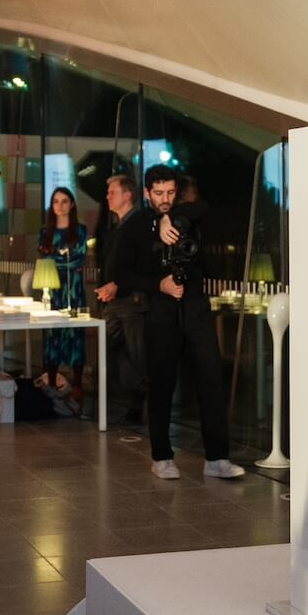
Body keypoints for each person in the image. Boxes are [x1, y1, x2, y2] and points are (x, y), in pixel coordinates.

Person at [112, 166, 245, 482]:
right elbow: (121, 274)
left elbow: (203, 206)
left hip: (196, 308)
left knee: (211, 379)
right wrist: (158, 285)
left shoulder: (188, 214)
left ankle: (216, 458)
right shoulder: (134, 228)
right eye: (158, 193)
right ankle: (162, 457)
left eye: (171, 192)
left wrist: (172, 219)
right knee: (161, 384)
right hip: (160, 311)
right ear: (146, 193)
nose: (165, 199)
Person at [93, 174, 146, 426]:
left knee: (137, 353)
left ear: (127, 195)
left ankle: (140, 404)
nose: (107, 197)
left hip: (130, 300)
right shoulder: (117, 225)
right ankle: (120, 400)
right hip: (114, 299)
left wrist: (117, 285)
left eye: (112, 192)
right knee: (109, 349)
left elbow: (138, 265)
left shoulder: (138, 224)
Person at [36, 186, 89, 404]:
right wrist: (61, 261)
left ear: (72, 204)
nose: (60, 205)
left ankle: (77, 383)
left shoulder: (81, 231)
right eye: (56, 201)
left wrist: (55, 259)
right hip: (52, 288)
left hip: (74, 288)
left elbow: (80, 259)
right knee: (51, 333)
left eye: (64, 201)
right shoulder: (45, 232)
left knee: (75, 334)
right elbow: (43, 260)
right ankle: (50, 383)